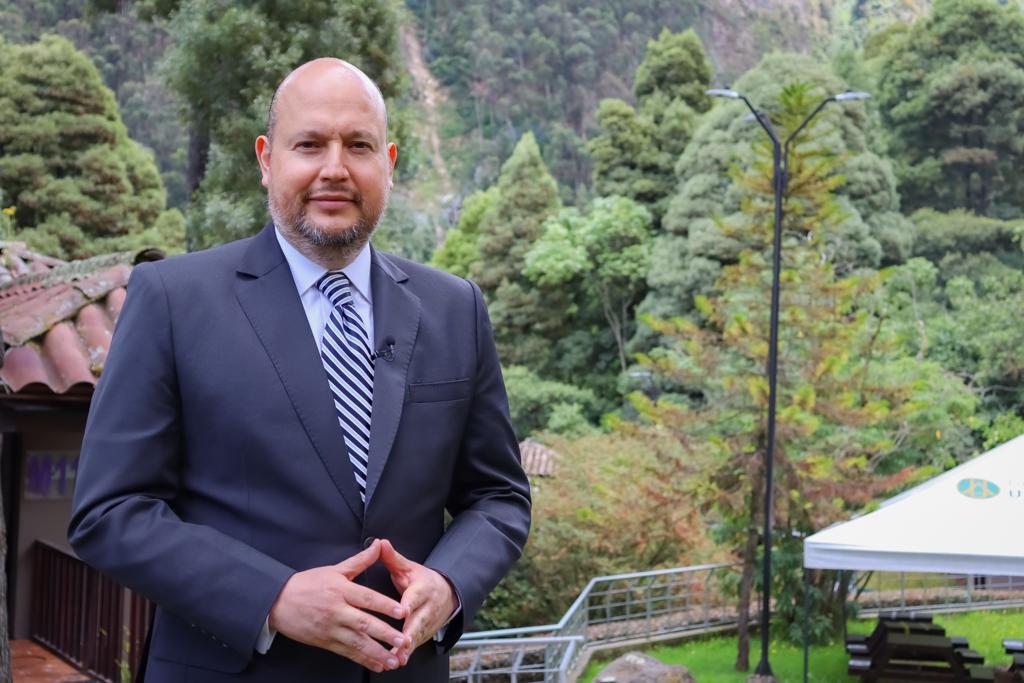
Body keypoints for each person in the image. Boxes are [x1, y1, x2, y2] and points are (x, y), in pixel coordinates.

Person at [68, 58, 531, 682]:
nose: (334, 168)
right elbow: (110, 510)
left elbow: (497, 496)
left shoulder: (455, 309)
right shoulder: (172, 299)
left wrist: (448, 583)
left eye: (359, 146)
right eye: (309, 144)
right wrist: (271, 597)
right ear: (266, 160)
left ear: (388, 162)